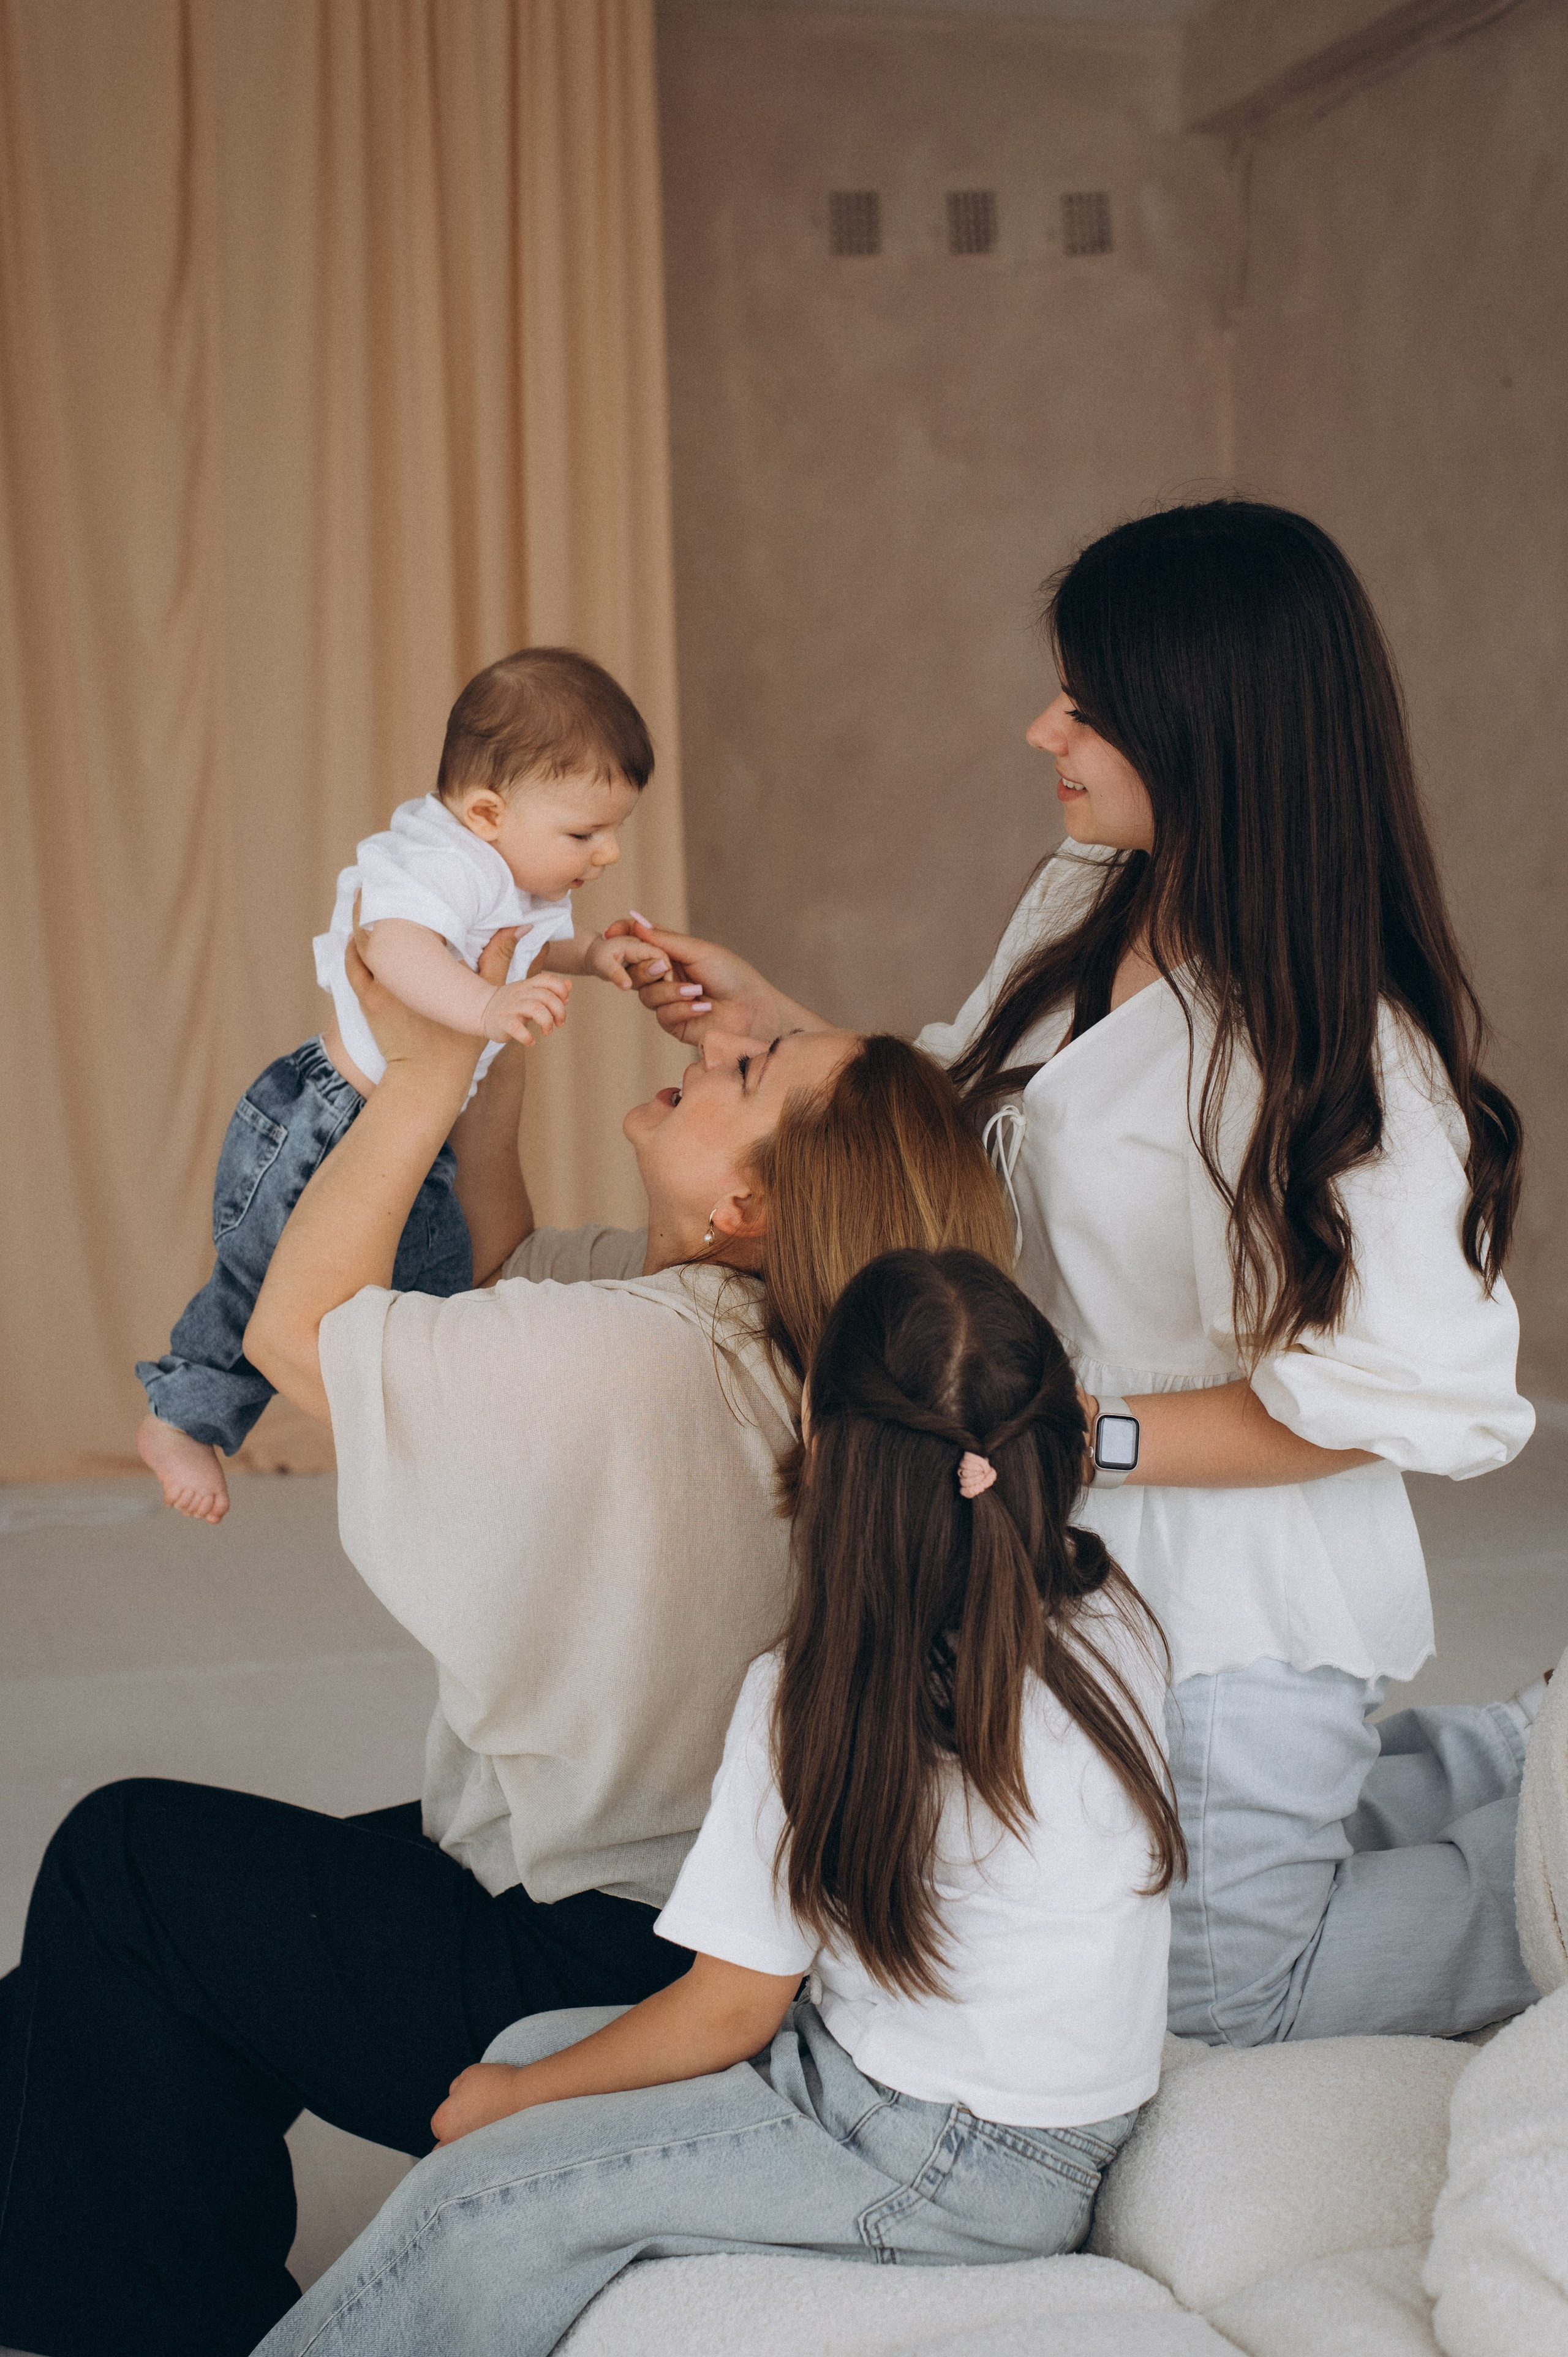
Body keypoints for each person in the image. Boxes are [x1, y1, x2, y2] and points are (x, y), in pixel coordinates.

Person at [0, 945, 1012, 2357]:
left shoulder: (641, 1355)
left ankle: (180, 2325)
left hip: (589, 1966)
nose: (723, 1043)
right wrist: (501, 1051)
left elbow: (306, 1335)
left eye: (752, 1065)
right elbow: (485, 1270)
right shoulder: (767, 1341)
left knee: (123, 1870)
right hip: (666, 1910)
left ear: (745, 1206)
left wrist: (423, 1065)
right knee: (75, 2002)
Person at [617, 498, 1540, 2047]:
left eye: (1088, 704)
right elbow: (998, 1123)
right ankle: (1505, 1760)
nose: (1039, 725)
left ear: (1209, 730)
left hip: (1232, 1613)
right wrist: (772, 1025)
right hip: (1073, 1571)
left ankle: (1544, 1852)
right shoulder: (1090, 902)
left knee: (1220, 2003)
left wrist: (1069, 1430)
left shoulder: (1340, 1062)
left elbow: (1406, 1399)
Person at [253, 1246, 1181, 2357]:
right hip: (1026, 2122)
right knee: (536, 2039)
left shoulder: (817, 1698)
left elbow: (730, 2011)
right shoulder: (1108, 1608)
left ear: (817, 1433)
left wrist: (514, 2106)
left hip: (931, 2158)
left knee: (480, 2197)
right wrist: (532, 2074)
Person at [135, 645, 668, 1527]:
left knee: (425, 1300)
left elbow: (532, 946)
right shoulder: (436, 857)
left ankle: (446, 1470)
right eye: (585, 834)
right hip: (325, 1118)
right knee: (267, 1283)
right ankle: (179, 1417)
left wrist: (595, 959)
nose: (607, 853)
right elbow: (396, 949)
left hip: (412, 1133)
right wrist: (488, 1004)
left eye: (614, 831)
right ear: (488, 811)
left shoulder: (514, 870)